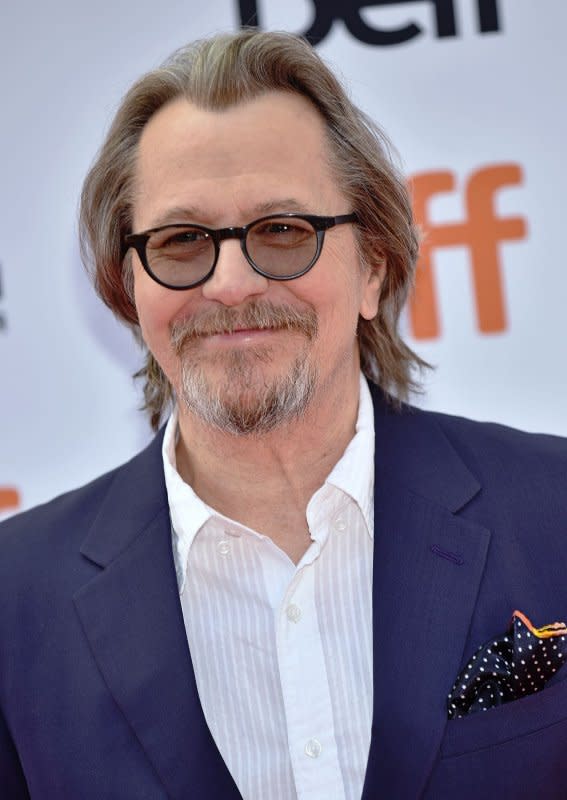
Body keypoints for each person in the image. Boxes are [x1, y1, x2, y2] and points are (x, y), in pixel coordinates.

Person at [1, 29, 566, 800]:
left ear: (374, 267)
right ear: (128, 289)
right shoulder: (14, 599)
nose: (230, 284)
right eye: (181, 240)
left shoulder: (553, 509)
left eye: (282, 231)